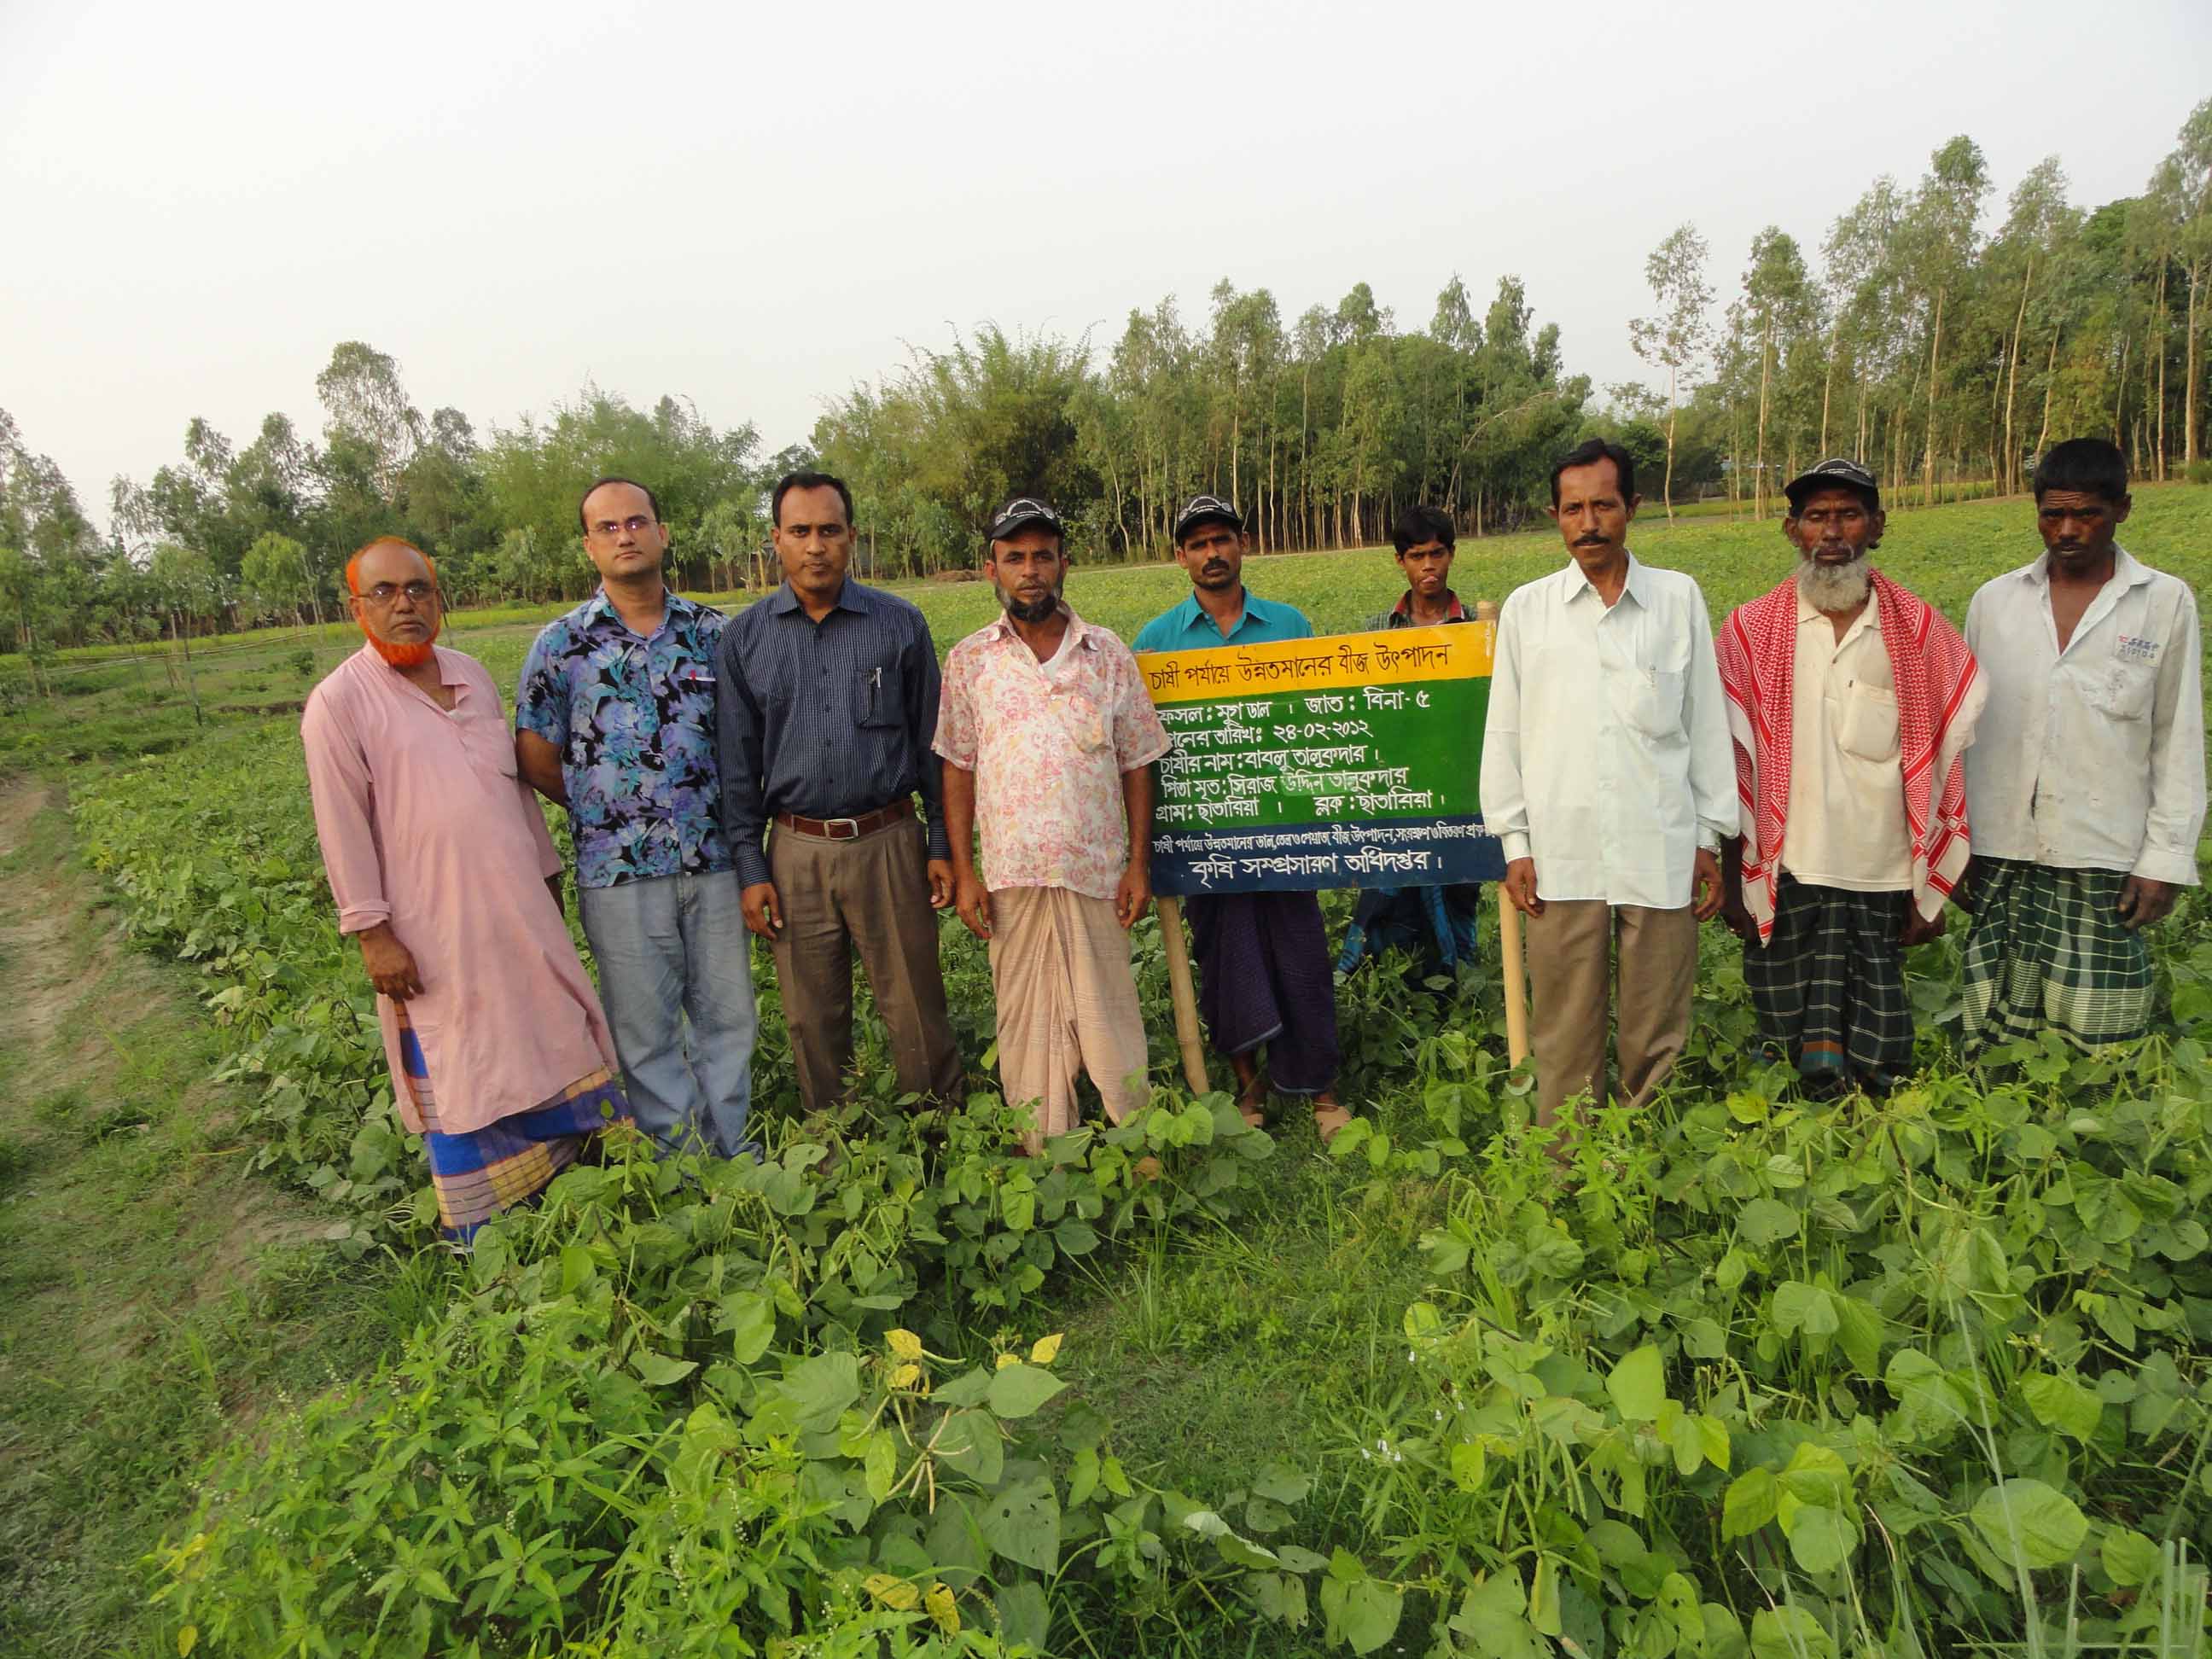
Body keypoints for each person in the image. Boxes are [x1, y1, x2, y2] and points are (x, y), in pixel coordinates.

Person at [301, 538, 627, 1243]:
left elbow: (511, 790)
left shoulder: (473, 676)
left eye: (418, 589)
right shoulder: (339, 704)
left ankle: (577, 1173)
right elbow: (342, 826)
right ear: (356, 608)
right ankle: (493, 1223)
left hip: (517, 907)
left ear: (439, 600)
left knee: (554, 1032)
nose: (404, 605)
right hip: (431, 930)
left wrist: (546, 876)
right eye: (383, 593)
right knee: (469, 1060)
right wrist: (373, 933)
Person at [1480, 439, 1736, 1141]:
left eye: (1603, 505)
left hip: (1660, 843)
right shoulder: (1529, 612)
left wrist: (1708, 838)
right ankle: (1568, 1169)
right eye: (1572, 509)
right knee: (1565, 1027)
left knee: (1656, 1029)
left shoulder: (1676, 599)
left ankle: (1641, 1166)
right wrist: (1515, 841)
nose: (1588, 522)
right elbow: (1504, 733)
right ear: (1555, 517)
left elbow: (1704, 722)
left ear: (1633, 508)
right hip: (1561, 853)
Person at [1716, 459, 1986, 1094]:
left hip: (1882, 864)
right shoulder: (1749, 632)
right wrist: (1731, 875)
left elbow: (1949, 751)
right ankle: (1789, 1115)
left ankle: (1871, 1120)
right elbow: (1728, 764)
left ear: (1877, 526)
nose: (1832, 531)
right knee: (1783, 1027)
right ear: (1792, 530)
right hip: (1789, 861)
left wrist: (1934, 879)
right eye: (1816, 517)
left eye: (1848, 514)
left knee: (1878, 1040)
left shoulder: (1919, 633)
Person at [515, 478, 756, 1159]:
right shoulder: (562, 645)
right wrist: (604, 806)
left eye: (637, 522)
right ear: (590, 545)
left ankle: (736, 1155)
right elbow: (535, 754)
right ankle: (682, 1169)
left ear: (662, 533)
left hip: (715, 863)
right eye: (609, 527)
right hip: (618, 874)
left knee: (728, 1019)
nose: (626, 535)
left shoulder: (717, 634)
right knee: (645, 1033)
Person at [714, 470, 963, 1116]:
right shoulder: (744, 640)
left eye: (829, 530)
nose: (815, 546)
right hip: (795, 849)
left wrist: (940, 844)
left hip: (888, 840)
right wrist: (750, 867)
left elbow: (932, 744)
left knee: (914, 1002)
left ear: (852, 537)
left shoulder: (899, 625)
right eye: (800, 532)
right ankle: (831, 1138)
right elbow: (737, 770)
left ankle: (937, 1131)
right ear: (776, 540)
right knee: (810, 1015)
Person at [937, 496, 1173, 1152]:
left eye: (1043, 556)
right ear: (992, 570)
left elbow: (1136, 762)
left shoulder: (1106, 654)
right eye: (1015, 557)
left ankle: (1137, 1137)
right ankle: (1043, 1148)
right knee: (1025, 1021)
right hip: (1012, 875)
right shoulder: (970, 661)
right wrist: (964, 871)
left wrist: (1137, 864)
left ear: (1065, 563)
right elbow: (957, 766)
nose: (1030, 570)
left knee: (1109, 1013)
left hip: (1095, 871)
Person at [1959, 438, 2203, 1055]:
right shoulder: (1995, 602)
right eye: (2052, 514)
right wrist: (1954, 842)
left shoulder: (2163, 601)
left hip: (2103, 848)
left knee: (2101, 1040)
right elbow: (1963, 731)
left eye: (2087, 513)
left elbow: (2178, 737)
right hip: (2002, 845)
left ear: (2122, 509)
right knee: (1995, 1030)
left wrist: (2165, 859)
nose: (2067, 530)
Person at [1132, 495, 1350, 1141]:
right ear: (1180, 557)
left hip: (1284, 830)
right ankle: (1247, 1090)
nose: (1211, 553)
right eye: (1197, 544)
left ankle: (1320, 1091)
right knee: (1227, 961)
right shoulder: (1155, 642)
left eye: (1221, 539)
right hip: (1206, 836)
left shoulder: (1289, 626)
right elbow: (1144, 748)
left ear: (1242, 544)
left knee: (1301, 956)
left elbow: (1323, 721)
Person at [1340, 503, 1485, 983]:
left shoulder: (1479, 629)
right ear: (1400, 561)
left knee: (1460, 891)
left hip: (1464, 788)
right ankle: (1395, 983)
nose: (1429, 566)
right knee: (1391, 892)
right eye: (1418, 555)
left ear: (1453, 555)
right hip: (1397, 789)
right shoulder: (1378, 632)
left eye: (1437, 554)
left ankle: (1458, 983)